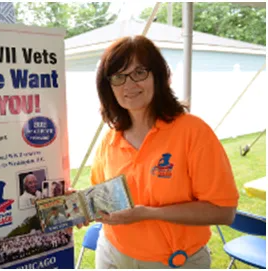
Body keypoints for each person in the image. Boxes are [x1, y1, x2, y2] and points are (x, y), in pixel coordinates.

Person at [75, 35, 239, 269]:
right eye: (119, 77)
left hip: (173, 262)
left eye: (139, 72)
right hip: (111, 253)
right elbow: (103, 197)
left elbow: (223, 212)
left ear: (158, 76)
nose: (129, 85)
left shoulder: (192, 131)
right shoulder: (110, 139)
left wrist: (147, 213)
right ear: (108, 87)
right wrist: (79, 205)